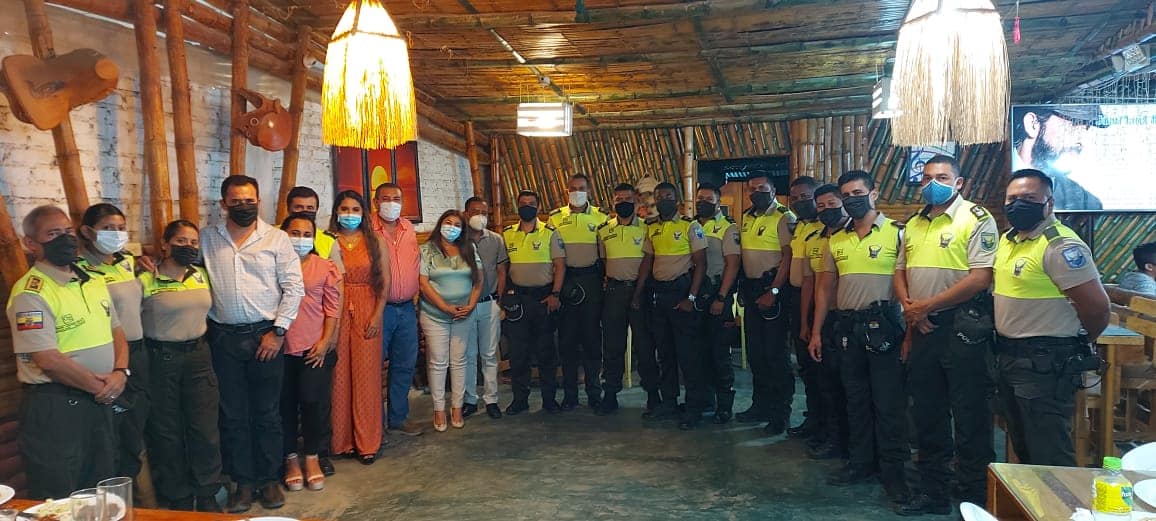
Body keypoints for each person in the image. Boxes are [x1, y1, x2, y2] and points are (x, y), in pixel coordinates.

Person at [892, 155, 998, 515]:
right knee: (927, 413)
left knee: (971, 416)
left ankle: (974, 497)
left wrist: (926, 306)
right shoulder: (914, 223)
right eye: (926, 178)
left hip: (963, 327)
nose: (932, 183)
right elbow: (899, 270)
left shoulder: (976, 218)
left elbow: (980, 278)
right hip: (921, 326)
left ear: (959, 183)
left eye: (941, 177)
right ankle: (933, 493)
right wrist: (911, 308)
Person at [6, 205, 126, 500]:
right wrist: (103, 388)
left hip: (99, 400)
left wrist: (120, 372)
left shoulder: (93, 279)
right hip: (56, 405)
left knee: (102, 486)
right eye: (53, 233)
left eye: (68, 231)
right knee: (61, 490)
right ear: (31, 244)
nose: (65, 238)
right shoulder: (30, 293)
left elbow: (117, 331)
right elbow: (47, 360)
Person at [201, 175, 304, 513]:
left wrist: (278, 332)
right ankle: (243, 483)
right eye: (236, 201)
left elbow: (294, 287)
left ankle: (269, 479)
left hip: (266, 336)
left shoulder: (276, 238)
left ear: (258, 201)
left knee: (267, 413)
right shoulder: (207, 238)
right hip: (223, 337)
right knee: (233, 415)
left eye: (249, 201)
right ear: (224, 204)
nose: (243, 206)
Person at [808, 170, 910, 506]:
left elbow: (910, 284)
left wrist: (909, 332)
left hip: (885, 327)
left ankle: (894, 472)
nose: (851, 199)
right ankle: (860, 463)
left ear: (873, 194)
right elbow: (825, 289)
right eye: (846, 194)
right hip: (847, 328)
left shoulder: (898, 233)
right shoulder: (836, 239)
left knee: (888, 403)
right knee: (856, 400)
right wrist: (817, 331)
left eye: (857, 193)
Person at [995, 169, 1110, 466]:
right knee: (1024, 447)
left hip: (1045, 363)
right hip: (1010, 358)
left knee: (1050, 453)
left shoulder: (1060, 246)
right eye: (1012, 199)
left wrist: (1081, 340)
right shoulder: (1009, 240)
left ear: (1049, 203)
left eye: (1029, 198)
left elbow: (1097, 308)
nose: (1018, 204)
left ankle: (1061, 498)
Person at [139, 220, 223, 512]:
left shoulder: (201, 274)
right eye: (181, 241)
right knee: (167, 432)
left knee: (205, 428)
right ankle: (179, 497)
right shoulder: (145, 278)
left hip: (199, 356)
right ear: (165, 244)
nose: (188, 247)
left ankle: (208, 493)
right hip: (161, 359)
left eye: (193, 242)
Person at [75, 203, 148, 483]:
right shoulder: (78, 268)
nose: (116, 234)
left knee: (134, 425)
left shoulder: (125, 261)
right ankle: (110, 488)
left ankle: (130, 491)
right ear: (87, 231)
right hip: (110, 357)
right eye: (107, 228)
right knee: (110, 431)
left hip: (138, 351)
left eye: (120, 228)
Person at [637, 182, 707, 430]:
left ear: (677, 200)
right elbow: (647, 261)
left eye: (668, 196)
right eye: (659, 197)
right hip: (660, 297)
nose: (663, 200)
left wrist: (691, 298)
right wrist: (638, 293)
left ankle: (694, 407)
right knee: (665, 353)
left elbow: (701, 264)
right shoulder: (652, 228)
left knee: (688, 355)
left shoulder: (690, 226)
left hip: (682, 295)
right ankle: (669, 402)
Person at [279, 213, 341, 492]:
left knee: (312, 402)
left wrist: (326, 341)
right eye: (295, 233)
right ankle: (291, 459)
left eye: (307, 235)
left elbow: (332, 308)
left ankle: (312, 457)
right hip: (280, 348)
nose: (301, 240)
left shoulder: (324, 267)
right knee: (284, 406)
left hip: (314, 347)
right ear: (283, 235)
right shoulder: (272, 265)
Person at [329, 191, 390, 463]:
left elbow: (385, 281)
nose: (349, 214)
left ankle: (367, 443)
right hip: (337, 309)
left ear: (363, 213)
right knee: (339, 376)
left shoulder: (375, 241)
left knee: (366, 377)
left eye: (355, 209)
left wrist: (377, 314)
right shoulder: (328, 240)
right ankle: (342, 441)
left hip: (367, 305)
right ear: (336, 212)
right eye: (344, 209)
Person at [737, 171, 796, 435]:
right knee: (756, 354)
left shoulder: (784, 217)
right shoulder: (747, 216)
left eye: (762, 187)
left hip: (773, 290)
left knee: (775, 355)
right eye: (753, 188)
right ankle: (760, 406)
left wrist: (773, 290)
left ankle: (780, 414)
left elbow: (788, 257)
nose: (757, 192)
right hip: (751, 290)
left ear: (773, 189)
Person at [548, 174, 609, 410]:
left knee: (592, 341)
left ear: (589, 191)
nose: (577, 192)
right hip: (565, 282)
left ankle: (594, 392)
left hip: (592, 281)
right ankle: (570, 395)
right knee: (567, 342)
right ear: (566, 191)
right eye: (572, 188)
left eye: (581, 188)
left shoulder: (602, 217)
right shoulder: (555, 218)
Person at [502, 190, 565, 414]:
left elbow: (560, 266)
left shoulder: (550, 233)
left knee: (546, 352)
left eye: (531, 203)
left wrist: (555, 294)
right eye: (523, 203)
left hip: (543, 299)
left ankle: (549, 399)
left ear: (538, 207)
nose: (527, 207)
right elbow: (503, 268)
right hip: (518, 301)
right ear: (517, 206)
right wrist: (504, 297)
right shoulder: (507, 234)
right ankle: (520, 399)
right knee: (518, 353)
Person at [799, 184, 850, 461]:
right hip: (823, 318)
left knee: (849, 385)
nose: (827, 210)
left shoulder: (851, 237)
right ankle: (830, 435)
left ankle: (851, 443)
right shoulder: (815, 239)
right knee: (825, 383)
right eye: (821, 206)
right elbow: (812, 285)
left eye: (832, 204)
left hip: (849, 318)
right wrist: (807, 324)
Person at [420, 210, 483, 431]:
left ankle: (457, 406)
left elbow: (478, 281)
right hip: (435, 314)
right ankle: (439, 409)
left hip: (463, 313)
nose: (452, 228)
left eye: (457, 225)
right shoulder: (427, 250)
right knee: (438, 361)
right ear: (440, 224)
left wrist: (471, 305)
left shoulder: (469, 248)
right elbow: (423, 283)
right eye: (448, 222)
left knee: (459, 361)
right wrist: (444, 307)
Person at [371, 182, 424, 436]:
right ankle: (373, 424)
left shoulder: (408, 228)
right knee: (372, 366)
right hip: (379, 309)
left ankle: (398, 417)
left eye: (397, 199)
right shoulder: (367, 230)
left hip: (407, 308)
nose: (391, 203)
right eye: (385, 198)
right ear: (375, 202)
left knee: (404, 364)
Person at [597, 183, 651, 416]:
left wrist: (640, 291)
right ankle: (610, 394)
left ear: (636, 202)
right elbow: (603, 261)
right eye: (619, 199)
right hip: (614, 292)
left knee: (645, 346)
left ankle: (653, 395)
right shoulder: (603, 230)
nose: (623, 203)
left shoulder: (647, 228)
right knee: (612, 346)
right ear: (613, 202)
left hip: (641, 292)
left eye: (628, 199)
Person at [692, 182, 740, 423]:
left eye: (709, 199)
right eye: (700, 198)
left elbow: (733, 264)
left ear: (718, 202)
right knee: (699, 353)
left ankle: (724, 406)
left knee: (719, 353)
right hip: (696, 295)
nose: (703, 203)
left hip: (717, 294)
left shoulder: (727, 227)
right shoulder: (692, 225)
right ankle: (704, 401)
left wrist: (721, 297)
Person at [785, 176, 825, 440]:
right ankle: (813, 418)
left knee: (820, 369)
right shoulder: (800, 226)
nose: (800, 202)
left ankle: (824, 426)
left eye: (806, 197)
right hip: (797, 297)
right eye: (795, 198)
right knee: (806, 368)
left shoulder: (827, 229)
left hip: (816, 302)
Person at [1011, 105, 1106, 210]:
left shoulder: (1086, 204)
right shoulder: (997, 179)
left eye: (1086, 129)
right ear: (1032, 124)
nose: (1082, 142)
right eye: (1074, 125)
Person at [463, 197, 508, 419]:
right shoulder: (458, 240)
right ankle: (470, 399)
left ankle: (491, 400)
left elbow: (501, 271)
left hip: (489, 303)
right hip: (465, 306)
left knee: (489, 354)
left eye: (484, 212)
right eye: (475, 211)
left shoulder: (496, 240)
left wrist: (499, 300)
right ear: (466, 214)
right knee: (468, 354)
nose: (479, 216)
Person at [286, 186, 338, 259]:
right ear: (288, 209)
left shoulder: (329, 240)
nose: (304, 211)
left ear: (316, 210)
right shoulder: (274, 234)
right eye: (299, 207)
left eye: (310, 208)